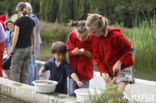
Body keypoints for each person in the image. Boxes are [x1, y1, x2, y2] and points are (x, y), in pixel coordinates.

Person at [86, 14, 135, 94]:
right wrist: (103, 73)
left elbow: (130, 49)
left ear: (100, 27)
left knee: (118, 93)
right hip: (110, 73)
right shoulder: (94, 40)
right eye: (90, 32)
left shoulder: (116, 36)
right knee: (112, 96)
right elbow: (98, 60)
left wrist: (119, 62)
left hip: (123, 69)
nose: (91, 34)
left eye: (93, 32)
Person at [9, 2, 36, 84]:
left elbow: (15, 37)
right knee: (25, 72)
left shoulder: (18, 21)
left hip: (19, 49)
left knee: (15, 72)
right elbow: (34, 37)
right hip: (29, 49)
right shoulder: (32, 21)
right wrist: (33, 49)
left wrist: (11, 49)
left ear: (18, 10)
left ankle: (15, 94)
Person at [66, 20, 94, 96]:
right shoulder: (71, 36)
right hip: (73, 72)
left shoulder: (93, 38)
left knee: (83, 94)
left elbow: (94, 55)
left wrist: (85, 52)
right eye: (79, 37)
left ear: (89, 32)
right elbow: (69, 50)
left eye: (84, 37)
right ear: (75, 32)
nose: (81, 39)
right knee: (71, 93)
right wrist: (73, 52)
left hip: (85, 72)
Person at [25, 2, 42, 85]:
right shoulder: (30, 17)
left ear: (28, 10)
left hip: (33, 43)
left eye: (23, 9)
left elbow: (32, 33)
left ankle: (30, 84)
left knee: (31, 63)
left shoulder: (32, 18)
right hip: (32, 43)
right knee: (31, 63)